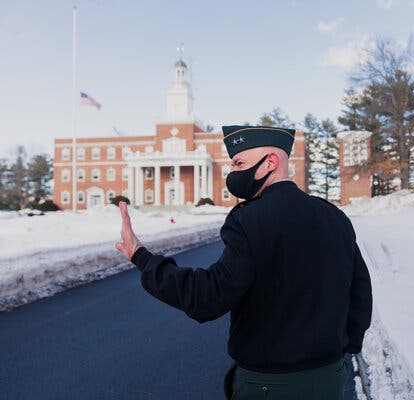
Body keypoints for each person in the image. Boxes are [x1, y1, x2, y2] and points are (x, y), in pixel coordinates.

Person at [115, 125, 373, 399]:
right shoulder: (334, 217)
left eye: (239, 163)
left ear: (270, 162)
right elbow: (359, 293)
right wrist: (344, 352)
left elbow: (208, 296)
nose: (233, 173)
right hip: (329, 379)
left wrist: (141, 257)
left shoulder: (249, 219)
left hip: (268, 384)